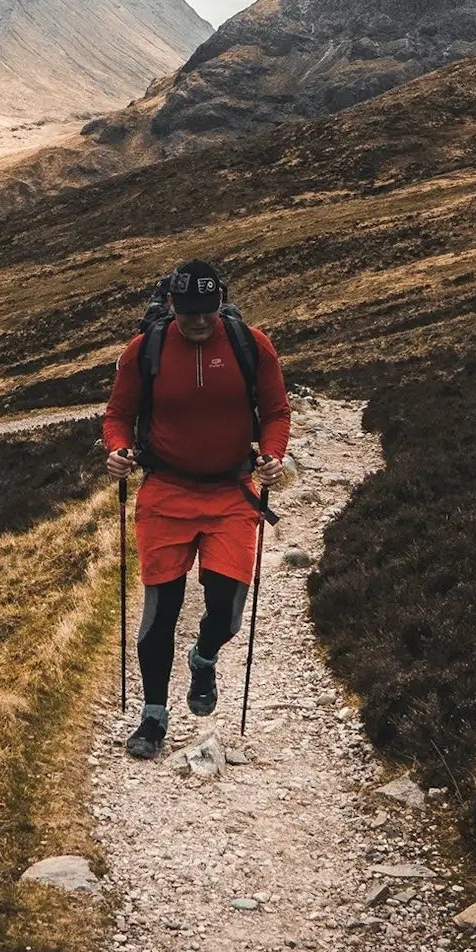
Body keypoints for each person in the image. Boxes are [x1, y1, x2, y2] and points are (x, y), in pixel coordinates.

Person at [103, 259, 290, 758]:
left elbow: (274, 412)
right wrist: (118, 449)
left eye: (207, 311)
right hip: (166, 492)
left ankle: (204, 656)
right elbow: (119, 413)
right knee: (159, 611)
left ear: (220, 303)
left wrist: (272, 455)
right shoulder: (147, 350)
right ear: (171, 307)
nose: (199, 321)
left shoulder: (253, 345)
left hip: (231, 494)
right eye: (188, 313)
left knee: (228, 611)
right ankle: (153, 717)